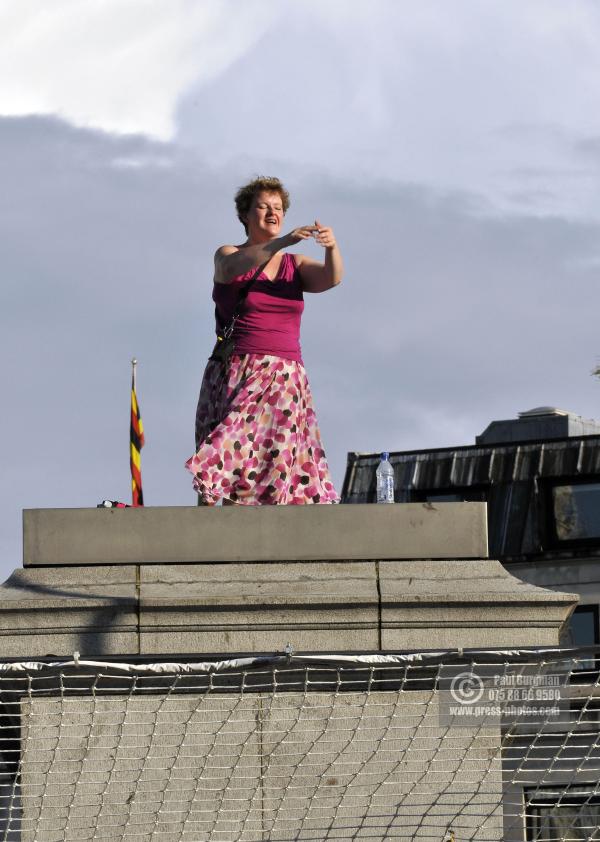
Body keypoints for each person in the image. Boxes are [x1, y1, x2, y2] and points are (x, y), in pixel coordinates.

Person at [185, 176, 343, 505]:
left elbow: (331, 278)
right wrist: (281, 242)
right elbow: (231, 266)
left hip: (286, 375)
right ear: (245, 214)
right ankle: (218, 532)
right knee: (233, 459)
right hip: (240, 370)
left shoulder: (293, 265)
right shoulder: (228, 254)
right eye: (264, 207)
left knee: (276, 460)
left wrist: (331, 247)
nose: (273, 212)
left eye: (279, 208)